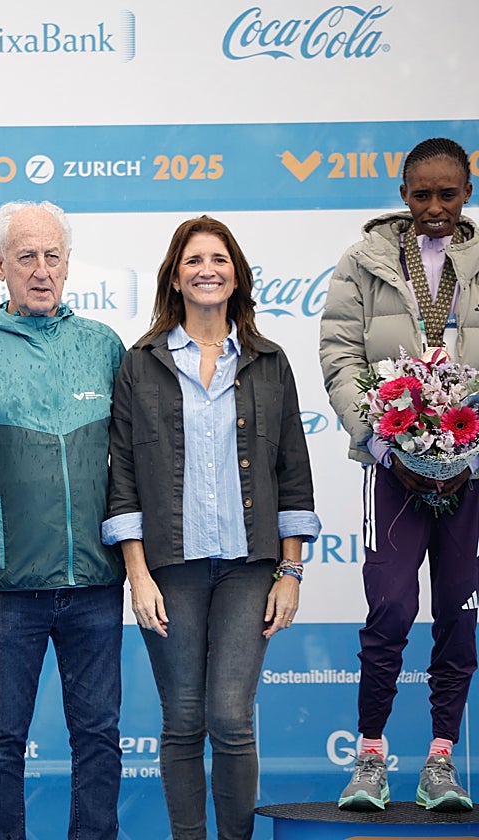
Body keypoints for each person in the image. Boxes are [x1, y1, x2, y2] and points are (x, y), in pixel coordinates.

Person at [103, 216, 320, 840]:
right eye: (194, 260)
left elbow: (293, 471)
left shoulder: (268, 361)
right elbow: (123, 478)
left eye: (220, 259)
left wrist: (291, 570)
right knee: (183, 720)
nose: (207, 270)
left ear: (236, 275)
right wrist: (137, 576)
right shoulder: (140, 363)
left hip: (251, 567)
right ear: (176, 275)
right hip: (170, 568)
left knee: (230, 718)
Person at [0, 201, 124, 839]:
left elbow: (138, 469)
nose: (41, 271)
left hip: (96, 583)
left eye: (52, 256)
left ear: (68, 263)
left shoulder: (105, 348)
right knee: (1, 739)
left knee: (99, 738)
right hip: (5, 589)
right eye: (26, 257)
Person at [321, 137, 479, 812]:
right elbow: (339, 354)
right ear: (403, 194)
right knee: (389, 608)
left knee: (459, 612)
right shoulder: (363, 263)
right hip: (393, 472)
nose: (435, 207)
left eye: (448, 193)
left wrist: (465, 451)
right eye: (422, 194)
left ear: (467, 193)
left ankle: (440, 761)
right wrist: (389, 443)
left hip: (470, 475)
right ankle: (371, 758)